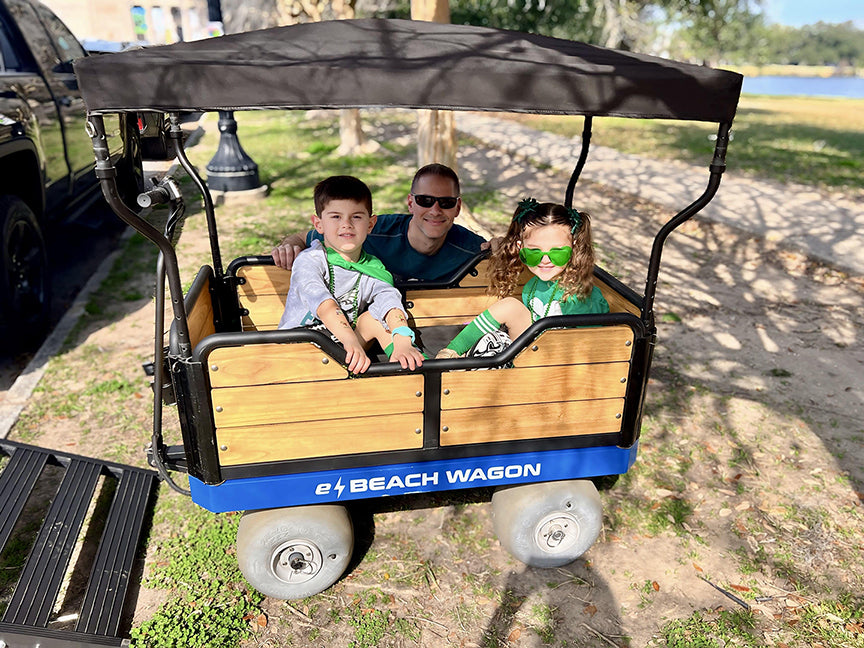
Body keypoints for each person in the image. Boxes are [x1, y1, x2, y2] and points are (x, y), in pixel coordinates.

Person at [278, 175, 424, 374]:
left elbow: (389, 301)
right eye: (336, 216)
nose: (346, 224)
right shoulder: (310, 260)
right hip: (298, 349)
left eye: (356, 216)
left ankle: (404, 366)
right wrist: (350, 342)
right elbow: (324, 305)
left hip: (343, 349)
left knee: (373, 319)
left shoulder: (373, 268)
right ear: (318, 224)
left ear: (371, 224)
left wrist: (402, 338)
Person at [436, 198, 609, 359]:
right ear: (521, 248)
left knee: (510, 307)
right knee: (509, 306)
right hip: (531, 354)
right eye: (534, 252)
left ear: (574, 248)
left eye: (557, 253)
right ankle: (450, 352)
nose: (545, 260)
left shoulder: (577, 297)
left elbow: (589, 347)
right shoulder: (532, 286)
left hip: (558, 363)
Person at [271, 164, 487, 282]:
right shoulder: (368, 230)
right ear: (410, 203)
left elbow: (501, 255)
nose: (435, 210)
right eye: (425, 200)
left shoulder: (470, 247)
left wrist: (501, 246)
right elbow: (300, 237)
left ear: (457, 208)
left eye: (446, 202)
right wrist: (289, 246)